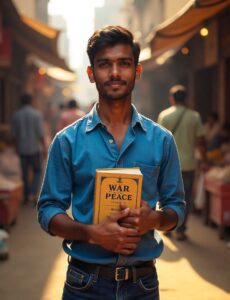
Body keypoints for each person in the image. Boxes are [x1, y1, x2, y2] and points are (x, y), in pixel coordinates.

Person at [37, 26, 185, 300]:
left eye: (124, 64)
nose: (115, 73)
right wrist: (91, 233)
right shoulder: (67, 141)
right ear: (91, 74)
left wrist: (155, 219)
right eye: (105, 64)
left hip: (143, 285)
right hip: (84, 284)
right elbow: (48, 210)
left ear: (136, 72)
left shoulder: (162, 140)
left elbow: (176, 208)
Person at [157, 84, 207, 241]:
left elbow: (159, 142)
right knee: (185, 197)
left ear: (171, 99)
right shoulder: (195, 116)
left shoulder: (164, 115)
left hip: (168, 165)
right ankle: (181, 230)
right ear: (186, 99)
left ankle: (168, 227)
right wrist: (204, 160)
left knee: (167, 195)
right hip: (188, 164)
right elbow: (200, 142)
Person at [11, 93, 46, 204]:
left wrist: (15, 148)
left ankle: (26, 196)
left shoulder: (16, 115)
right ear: (31, 101)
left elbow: (14, 135)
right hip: (34, 149)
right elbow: (40, 134)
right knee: (37, 171)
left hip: (21, 149)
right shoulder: (36, 115)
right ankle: (33, 193)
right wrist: (44, 148)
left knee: (24, 173)